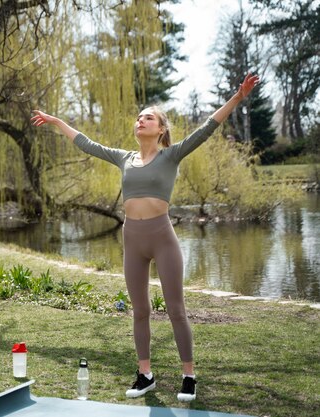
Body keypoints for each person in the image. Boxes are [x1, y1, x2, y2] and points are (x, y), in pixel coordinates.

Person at [31, 74, 260, 401]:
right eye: (139, 118)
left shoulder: (172, 155)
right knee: (139, 310)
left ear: (160, 129)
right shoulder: (124, 157)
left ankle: (188, 375)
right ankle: (145, 374)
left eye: (148, 117)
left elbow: (207, 127)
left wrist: (237, 98)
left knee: (176, 309)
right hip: (133, 240)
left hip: (162, 237)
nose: (141, 121)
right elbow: (87, 143)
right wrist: (56, 122)